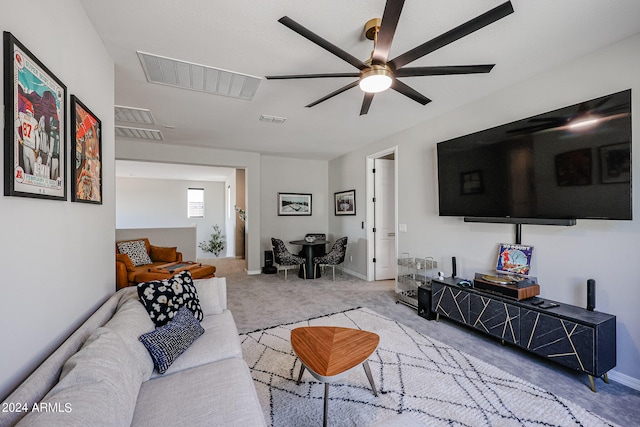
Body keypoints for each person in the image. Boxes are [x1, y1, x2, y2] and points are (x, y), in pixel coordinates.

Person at [16, 102, 39, 175]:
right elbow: (37, 137)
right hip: (31, 148)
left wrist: (20, 139)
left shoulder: (22, 117)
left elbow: (14, 126)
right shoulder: (34, 121)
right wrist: (37, 149)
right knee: (35, 172)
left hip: (25, 146)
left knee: (27, 172)